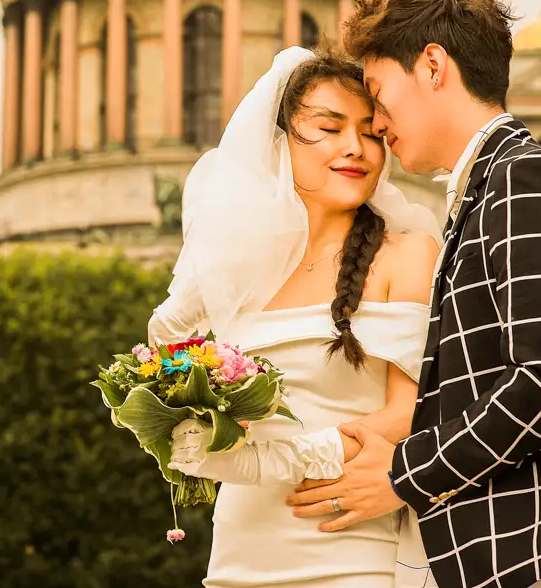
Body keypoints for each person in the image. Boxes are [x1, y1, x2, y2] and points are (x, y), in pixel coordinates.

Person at [287, 0, 541, 588]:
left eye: (380, 93)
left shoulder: (531, 179)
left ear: (434, 66)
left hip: (523, 562)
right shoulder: (486, 193)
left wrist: (402, 475)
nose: (377, 123)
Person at [147, 45, 442, 587]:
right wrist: (180, 422)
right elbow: (169, 357)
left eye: (372, 132)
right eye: (329, 128)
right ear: (281, 142)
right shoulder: (244, 267)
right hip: (239, 553)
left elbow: (413, 413)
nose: (356, 148)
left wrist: (271, 462)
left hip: (350, 550)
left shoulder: (409, 254)